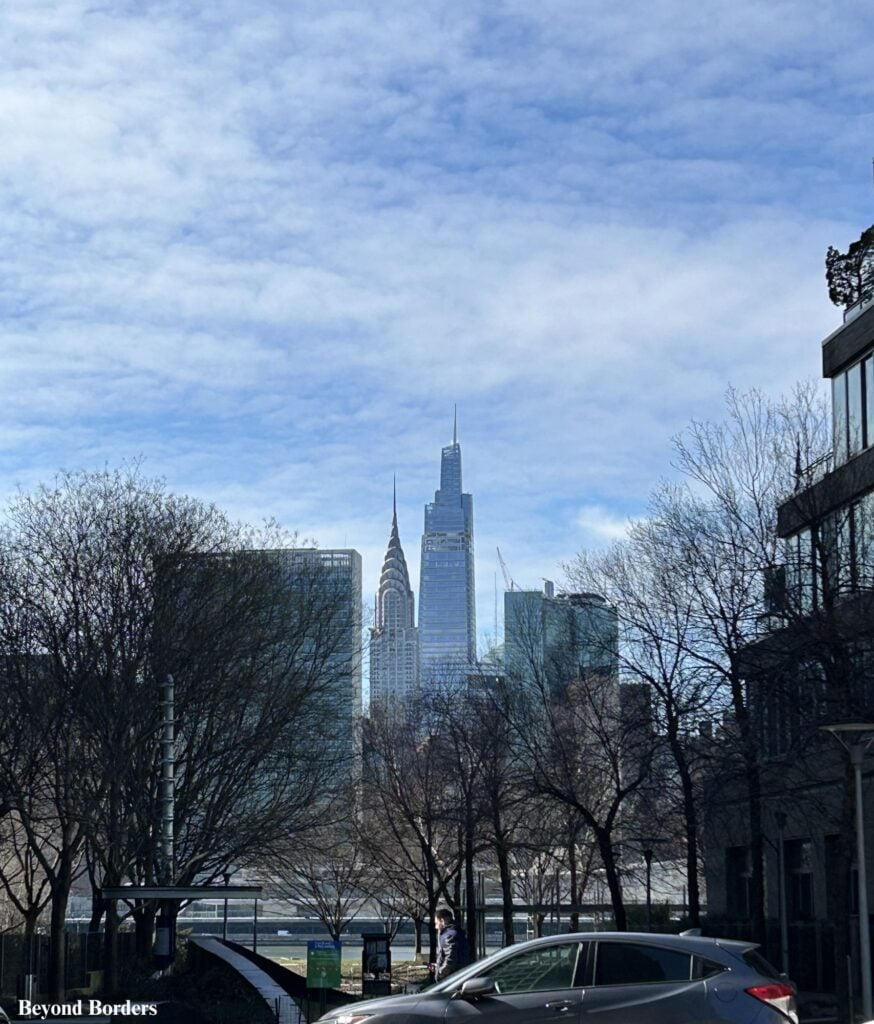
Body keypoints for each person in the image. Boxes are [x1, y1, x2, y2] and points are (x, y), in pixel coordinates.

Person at [429, 907, 468, 982]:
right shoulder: (457, 932)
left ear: (442, 921)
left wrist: (440, 973)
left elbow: (450, 959)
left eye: (436, 923)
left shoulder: (449, 936)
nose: (436, 927)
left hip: (451, 980)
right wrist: (438, 966)